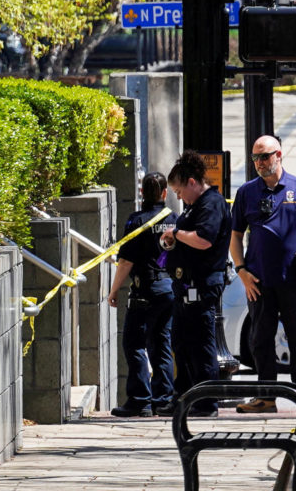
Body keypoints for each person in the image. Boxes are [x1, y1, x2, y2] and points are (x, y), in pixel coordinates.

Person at [230, 135, 296, 413]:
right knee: (260, 339)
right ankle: (266, 397)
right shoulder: (246, 193)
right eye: (255, 158)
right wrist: (241, 271)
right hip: (258, 281)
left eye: (265, 156)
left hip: (295, 279)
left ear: (279, 155)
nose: (260, 163)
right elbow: (235, 236)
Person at [156, 150, 231, 417]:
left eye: (178, 190)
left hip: (201, 285)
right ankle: (185, 397)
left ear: (191, 182)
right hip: (185, 285)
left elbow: (204, 239)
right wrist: (172, 241)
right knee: (182, 342)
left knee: (200, 344)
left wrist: (177, 232)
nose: (178, 196)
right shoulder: (194, 206)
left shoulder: (211, 204)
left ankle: (206, 401)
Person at [108, 172, 178, 417]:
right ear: (164, 193)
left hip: (145, 290)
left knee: (134, 343)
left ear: (141, 193)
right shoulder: (173, 218)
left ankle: (140, 400)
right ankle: (163, 400)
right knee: (161, 344)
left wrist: (114, 290)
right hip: (168, 289)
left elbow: (126, 260)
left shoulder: (136, 221)